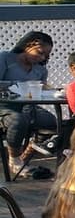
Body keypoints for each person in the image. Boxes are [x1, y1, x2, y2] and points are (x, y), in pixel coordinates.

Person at [0, 30, 56, 177]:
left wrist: (47, 89)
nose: (42, 57)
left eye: (46, 55)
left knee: (52, 122)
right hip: (4, 106)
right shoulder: (5, 58)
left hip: (28, 106)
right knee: (18, 121)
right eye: (39, 52)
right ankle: (14, 160)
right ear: (27, 45)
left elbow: (41, 88)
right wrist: (18, 84)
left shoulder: (40, 69)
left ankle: (29, 151)